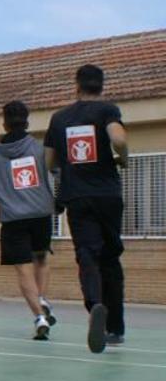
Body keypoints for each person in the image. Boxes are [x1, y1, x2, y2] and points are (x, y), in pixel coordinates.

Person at [44, 64, 128, 354]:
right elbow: (119, 139)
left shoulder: (59, 118)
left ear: (76, 86)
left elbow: (49, 164)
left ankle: (95, 305)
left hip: (77, 197)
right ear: (101, 86)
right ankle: (115, 329)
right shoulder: (107, 110)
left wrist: (70, 161)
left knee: (87, 255)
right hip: (107, 195)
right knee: (111, 259)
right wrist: (123, 158)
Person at [0, 101, 57, 340]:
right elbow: (57, 171)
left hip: (13, 218)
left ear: (3, 123)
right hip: (41, 214)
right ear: (27, 121)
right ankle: (41, 298)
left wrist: (5, 197)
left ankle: (39, 317)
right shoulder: (39, 148)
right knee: (41, 257)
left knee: (23, 269)